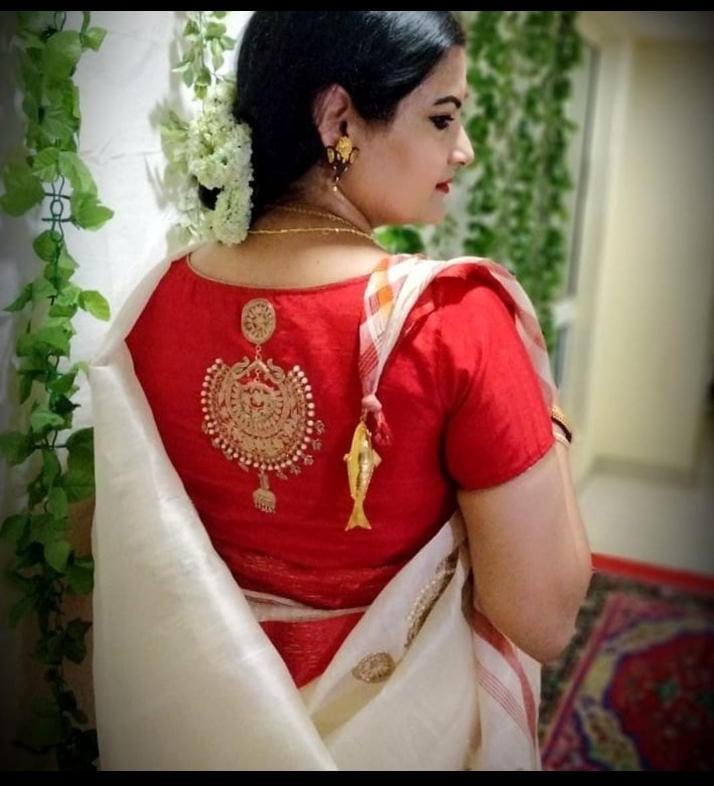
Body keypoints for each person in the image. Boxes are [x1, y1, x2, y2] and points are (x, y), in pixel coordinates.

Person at [88, 10, 592, 771]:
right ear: (339, 118)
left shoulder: (158, 301)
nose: (463, 149)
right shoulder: (452, 318)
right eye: (442, 117)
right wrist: (542, 420)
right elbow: (544, 616)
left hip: (198, 727)